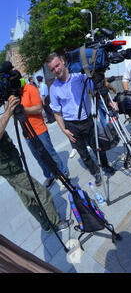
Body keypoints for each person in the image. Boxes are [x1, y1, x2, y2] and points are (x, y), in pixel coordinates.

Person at [0, 95, 72, 233]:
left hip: (8, 166)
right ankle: (56, 224)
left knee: (27, 198)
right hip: (10, 168)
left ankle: (46, 224)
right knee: (41, 193)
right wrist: (9, 111)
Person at [46, 53, 116, 187]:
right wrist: (64, 130)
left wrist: (109, 101)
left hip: (87, 120)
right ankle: (95, 172)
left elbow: (96, 88)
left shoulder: (80, 77)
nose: (56, 70)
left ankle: (105, 166)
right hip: (71, 125)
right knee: (83, 153)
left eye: (57, 65)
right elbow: (56, 112)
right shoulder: (54, 88)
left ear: (63, 61)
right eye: (52, 69)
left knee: (98, 146)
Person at [20, 80, 69, 188]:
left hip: (39, 129)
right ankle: (49, 175)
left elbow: (38, 108)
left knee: (50, 153)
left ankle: (62, 173)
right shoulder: (15, 95)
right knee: (38, 157)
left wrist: (23, 109)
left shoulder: (30, 89)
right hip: (27, 133)